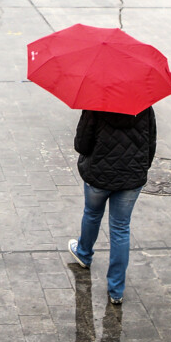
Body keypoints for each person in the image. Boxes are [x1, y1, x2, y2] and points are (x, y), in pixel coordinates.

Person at [66, 107, 156, 305]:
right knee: (120, 228)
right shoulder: (144, 106)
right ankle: (116, 290)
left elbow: (82, 145)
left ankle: (83, 253)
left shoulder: (94, 105)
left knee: (91, 213)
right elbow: (150, 146)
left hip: (98, 176)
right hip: (131, 179)